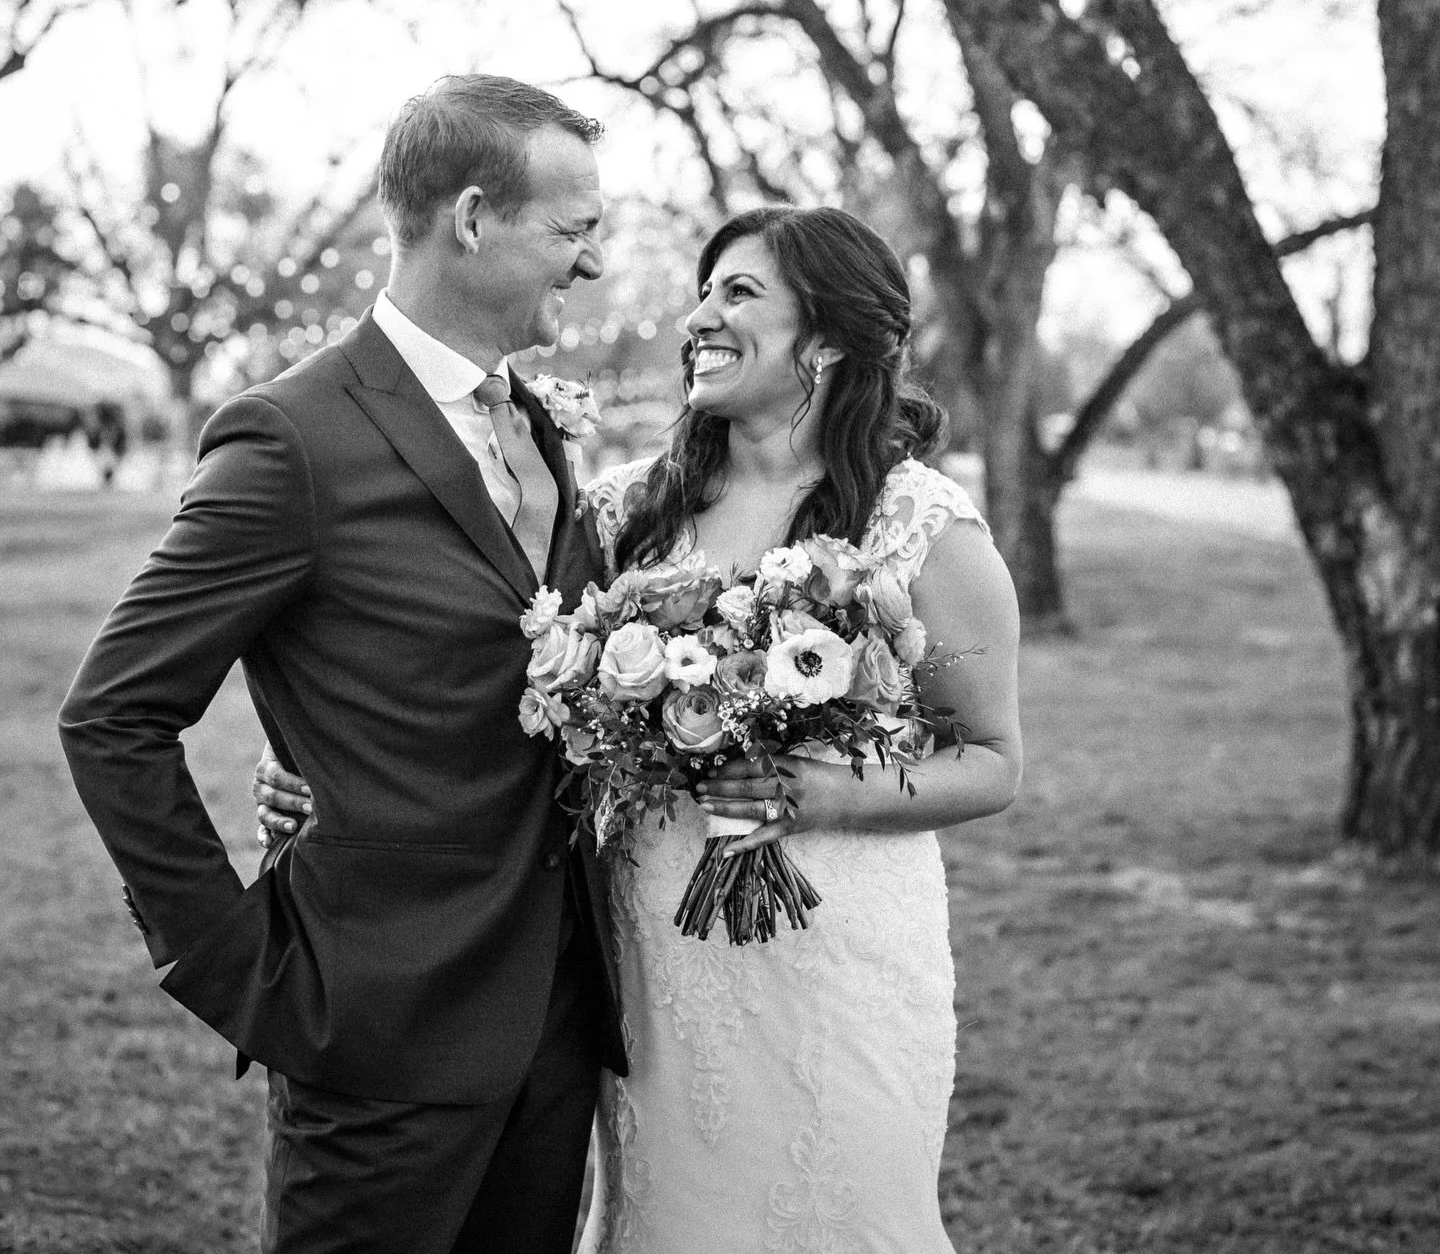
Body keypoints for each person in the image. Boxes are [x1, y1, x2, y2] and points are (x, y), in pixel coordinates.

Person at [259, 202, 1022, 1253]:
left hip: (842, 956)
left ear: (834, 337)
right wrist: (308, 758)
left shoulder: (921, 529)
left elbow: (991, 760)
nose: (700, 315)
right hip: (653, 953)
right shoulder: (623, 514)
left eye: (739, 293)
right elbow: (477, 675)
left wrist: (817, 792)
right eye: (704, 290)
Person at [58, 73, 627, 1254]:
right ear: (471, 220)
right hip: (377, 1028)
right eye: (572, 232)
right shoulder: (292, 439)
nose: (592, 266)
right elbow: (112, 717)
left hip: (557, 1021)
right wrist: (230, 963)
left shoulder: (539, 424)